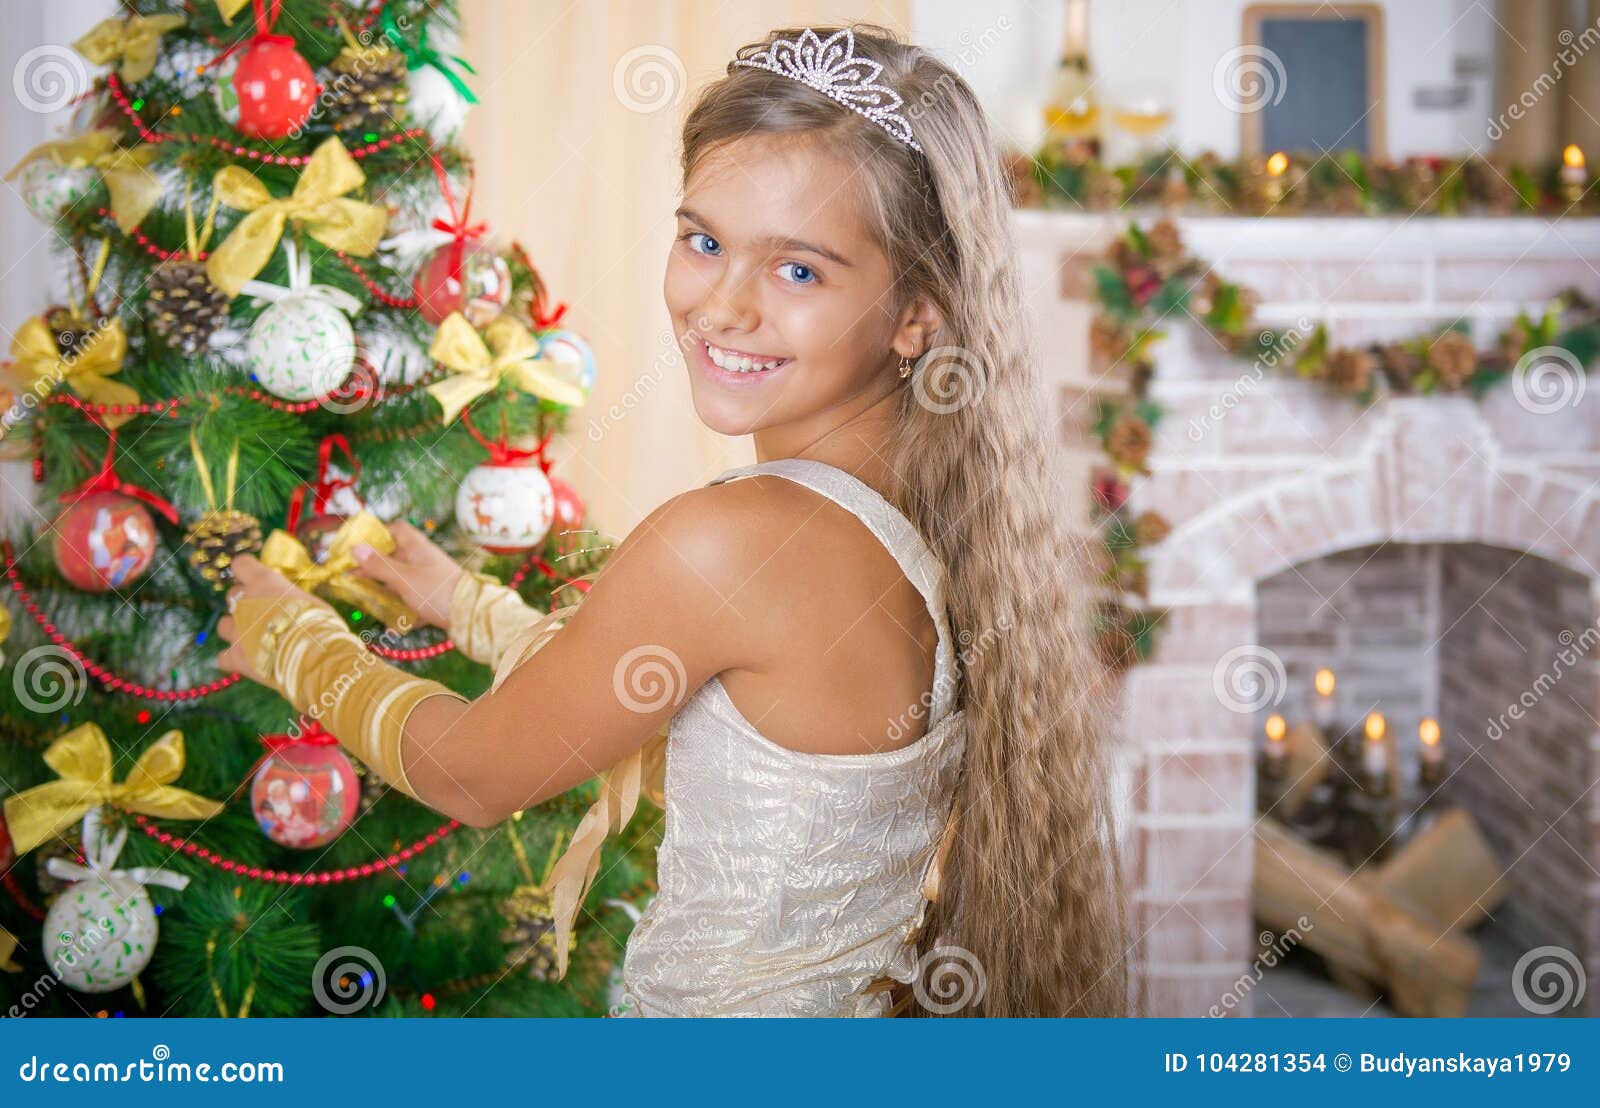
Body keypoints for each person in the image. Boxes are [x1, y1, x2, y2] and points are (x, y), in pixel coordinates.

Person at [217, 24, 1128, 1017]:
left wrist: (296, 643)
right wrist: (465, 604)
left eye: (798, 271)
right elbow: (706, 722)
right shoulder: (927, 519)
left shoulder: (733, 542)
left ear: (917, 311)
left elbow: (473, 774)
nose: (721, 306)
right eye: (703, 241)